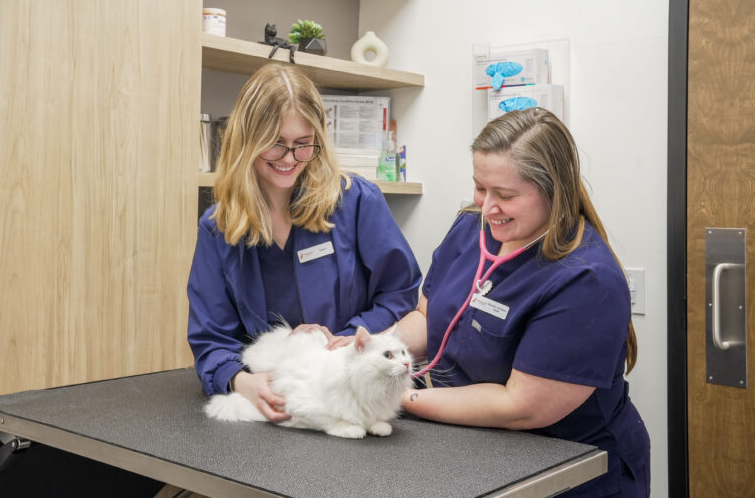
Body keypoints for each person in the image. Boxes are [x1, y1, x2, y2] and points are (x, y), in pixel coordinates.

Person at [396, 108, 650, 497]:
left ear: (554, 190)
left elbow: (520, 405)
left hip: (568, 470)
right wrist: (374, 350)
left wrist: (401, 397)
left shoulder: (586, 279)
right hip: (475, 454)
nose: (486, 207)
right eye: (481, 187)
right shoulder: (471, 228)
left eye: (505, 195)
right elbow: (428, 316)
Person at [187, 63, 421, 422]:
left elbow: (400, 293)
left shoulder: (356, 202)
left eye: (302, 145)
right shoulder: (219, 227)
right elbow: (211, 338)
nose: (289, 160)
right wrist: (241, 381)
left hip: (350, 397)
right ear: (246, 142)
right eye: (275, 145)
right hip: (279, 403)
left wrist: (346, 342)